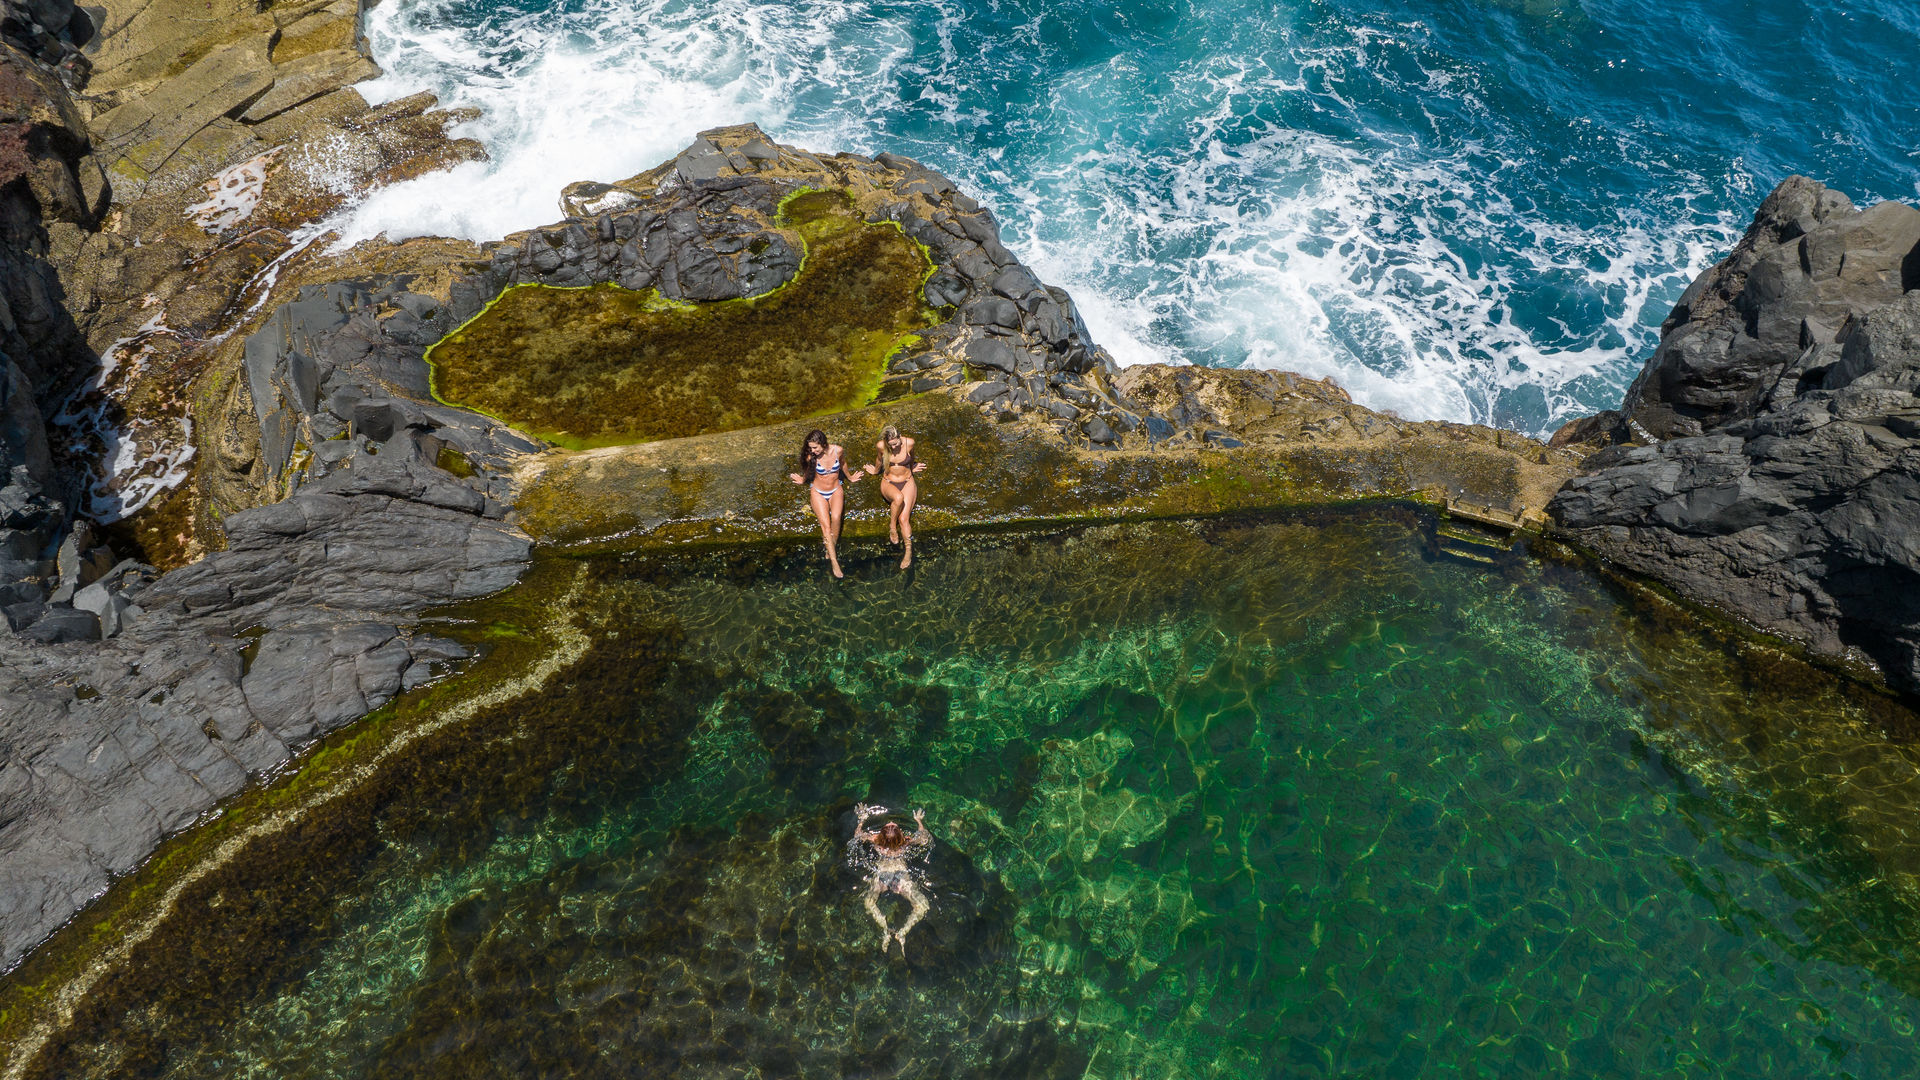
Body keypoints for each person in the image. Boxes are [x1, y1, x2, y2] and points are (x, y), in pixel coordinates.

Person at [853, 802, 933, 955]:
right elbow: (924, 840)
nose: (891, 822)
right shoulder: (905, 843)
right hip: (901, 878)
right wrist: (919, 821)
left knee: (868, 902)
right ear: (901, 836)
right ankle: (903, 932)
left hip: (882, 876)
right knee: (923, 906)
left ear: (881, 835)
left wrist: (862, 819)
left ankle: (885, 929)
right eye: (893, 825)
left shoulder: (876, 841)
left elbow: (857, 836)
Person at [789, 429, 861, 578]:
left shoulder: (837, 450)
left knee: (836, 517)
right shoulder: (811, 457)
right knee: (826, 526)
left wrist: (850, 477)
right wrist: (802, 480)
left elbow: (843, 464)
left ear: (823, 443)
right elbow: (808, 471)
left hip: (835, 489)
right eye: (810, 448)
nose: (813, 451)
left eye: (815, 447)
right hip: (818, 492)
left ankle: (831, 547)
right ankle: (834, 561)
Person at [862, 425, 927, 569]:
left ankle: (908, 551)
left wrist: (913, 466)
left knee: (904, 519)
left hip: (907, 481)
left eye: (896, 443)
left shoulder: (909, 442)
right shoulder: (881, 446)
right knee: (898, 498)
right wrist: (875, 470)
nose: (894, 447)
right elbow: (879, 459)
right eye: (891, 445)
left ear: (900, 437)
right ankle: (892, 527)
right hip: (889, 482)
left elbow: (912, 456)